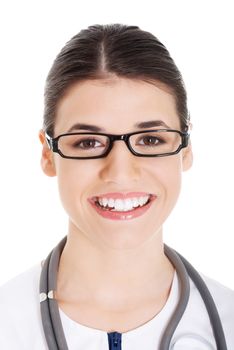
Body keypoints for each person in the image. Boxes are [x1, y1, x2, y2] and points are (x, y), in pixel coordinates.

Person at [0, 23, 233, 350]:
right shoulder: (7, 323)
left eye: (151, 139)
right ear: (47, 154)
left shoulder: (228, 321)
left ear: (187, 148)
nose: (121, 173)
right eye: (88, 142)